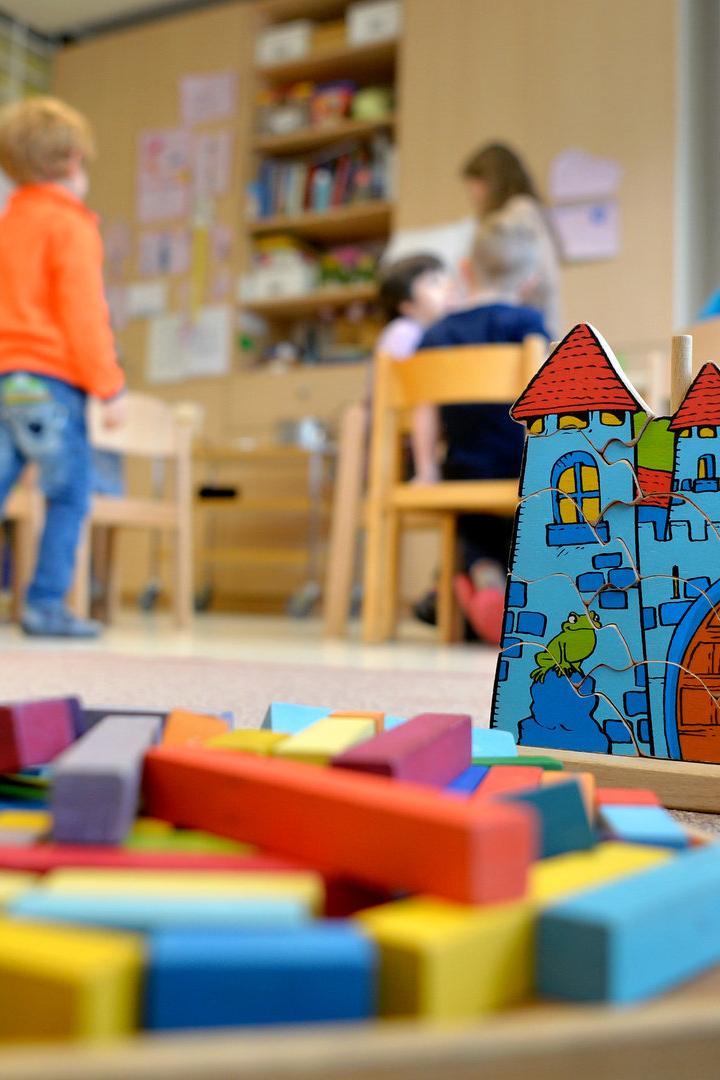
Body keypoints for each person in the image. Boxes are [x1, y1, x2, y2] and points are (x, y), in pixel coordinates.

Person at [0, 96, 126, 637]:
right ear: (75, 159)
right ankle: (46, 604)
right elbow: (83, 312)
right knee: (69, 492)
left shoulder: (9, 223)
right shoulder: (71, 224)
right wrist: (109, 385)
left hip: (4, 376)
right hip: (48, 381)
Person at [413, 221, 550, 643]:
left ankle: (475, 574)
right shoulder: (529, 322)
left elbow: (425, 409)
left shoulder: (437, 333)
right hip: (518, 466)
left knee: (472, 519)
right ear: (529, 281)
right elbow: (544, 400)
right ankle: (501, 586)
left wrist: (425, 472)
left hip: (460, 467)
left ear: (466, 269)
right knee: (524, 521)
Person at [462, 142, 561, 337]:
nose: (473, 194)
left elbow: (524, 273)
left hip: (524, 327)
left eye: (476, 185)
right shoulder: (528, 212)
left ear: (492, 180)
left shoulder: (514, 218)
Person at [377, 253, 454, 482]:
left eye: (446, 279)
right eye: (433, 282)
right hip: (406, 445)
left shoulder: (434, 334)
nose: (447, 287)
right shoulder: (403, 332)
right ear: (407, 305)